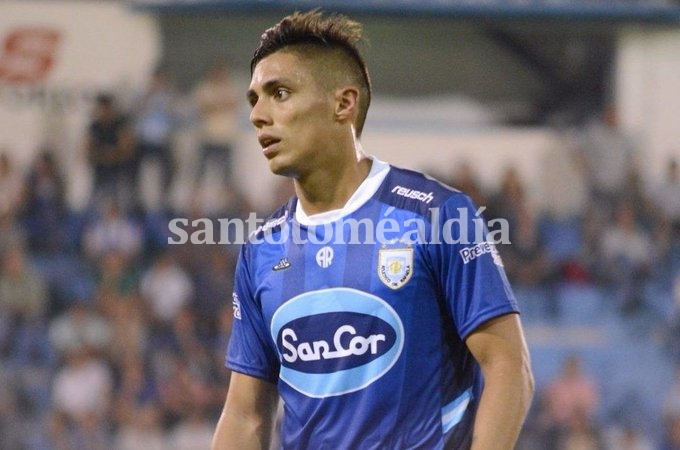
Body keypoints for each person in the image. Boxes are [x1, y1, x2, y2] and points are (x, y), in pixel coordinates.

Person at [211, 10, 534, 450]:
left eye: (279, 93)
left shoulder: (438, 216)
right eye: (254, 100)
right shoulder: (261, 250)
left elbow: (508, 367)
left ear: (344, 104)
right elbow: (245, 415)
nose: (258, 115)